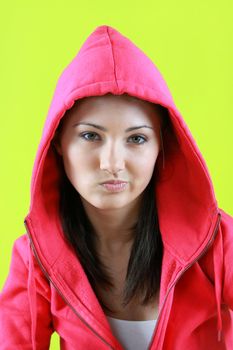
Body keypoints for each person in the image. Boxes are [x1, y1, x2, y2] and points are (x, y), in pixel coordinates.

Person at [0, 24, 232, 350]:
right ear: (58, 142)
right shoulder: (33, 258)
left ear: (161, 147)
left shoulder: (218, 242)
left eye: (136, 138)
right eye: (90, 135)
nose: (112, 163)